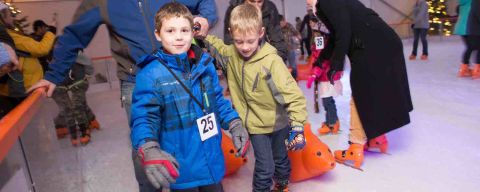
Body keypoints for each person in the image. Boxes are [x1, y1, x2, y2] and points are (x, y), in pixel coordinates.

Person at [26, 1, 218, 191]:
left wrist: (205, 18)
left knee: (192, 136)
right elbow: (74, 34)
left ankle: (203, 183)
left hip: (182, 74)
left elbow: (204, 2)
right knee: (144, 145)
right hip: (136, 79)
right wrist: (53, 75)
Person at [130, 3, 249, 191]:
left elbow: (217, 101)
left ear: (193, 33)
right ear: (158, 34)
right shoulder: (150, 75)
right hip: (182, 169)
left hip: (212, 161)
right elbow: (144, 118)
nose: (178, 37)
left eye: (184, 30)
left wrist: (234, 123)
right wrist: (148, 147)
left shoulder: (205, 65)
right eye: (170, 30)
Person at [205, 4, 307, 191]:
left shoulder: (271, 62)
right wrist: (202, 35)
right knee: (264, 167)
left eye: (250, 41)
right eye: (239, 41)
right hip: (254, 125)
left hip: (277, 122)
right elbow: (218, 47)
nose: (245, 47)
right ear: (231, 33)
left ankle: (283, 183)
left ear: (261, 32)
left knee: (280, 158)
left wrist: (298, 127)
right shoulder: (231, 54)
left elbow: (294, 96)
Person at [307, 0, 413, 170]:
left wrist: (336, 64)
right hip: (383, 43)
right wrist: (322, 61)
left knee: (361, 91)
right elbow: (337, 35)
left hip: (372, 46)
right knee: (374, 90)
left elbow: (343, 31)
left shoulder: (326, 2)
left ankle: (355, 147)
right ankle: (377, 137)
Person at [0, 2, 55, 117]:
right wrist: (50, 33)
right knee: (31, 123)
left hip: (17, 88)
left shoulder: (9, 34)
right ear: (2, 16)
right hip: (22, 89)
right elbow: (41, 49)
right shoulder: (9, 35)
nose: (12, 18)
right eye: (10, 14)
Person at [51, 51, 97, 146]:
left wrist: (86, 76)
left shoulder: (73, 52)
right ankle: (91, 122)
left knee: (77, 105)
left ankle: (84, 130)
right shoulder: (53, 57)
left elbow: (88, 64)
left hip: (78, 82)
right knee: (74, 105)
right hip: (64, 85)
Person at [306, 21, 342, 135]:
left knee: (327, 102)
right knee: (328, 101)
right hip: (327, 77)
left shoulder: (321, 41)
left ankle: (331, 123)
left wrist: (314, 74)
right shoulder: (323, 40)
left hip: (326, 78)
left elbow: (321, 60)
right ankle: (333, 121)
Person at [223, 0, 288, 61]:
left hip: (264, 57)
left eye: (259, 2)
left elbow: (278, 39)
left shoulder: (270, 8)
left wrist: (277, 62)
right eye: (252, 1)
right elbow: (229, 41)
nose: (256, 6)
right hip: (240, 59)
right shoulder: (233, 10)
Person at [454, 0, 480, 79]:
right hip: (470, 28)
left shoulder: (463, 2)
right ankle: (477, 70)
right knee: (478, 47)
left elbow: (457, 10)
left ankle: (464, 69)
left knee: (470, 48)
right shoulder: (474, 2)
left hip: (461, 28)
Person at [279, 14, 301, 79]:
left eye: (284, 21)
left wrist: (298, 35)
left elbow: (295, 31)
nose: (284, 23)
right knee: (282, 66)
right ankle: (284, 79)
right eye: (282, 22)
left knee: (293, 65)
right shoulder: (276, 28)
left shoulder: (288, 25)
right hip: (281, 50)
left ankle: (295, 79)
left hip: (290, 48)